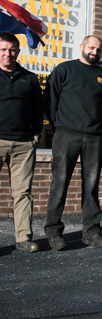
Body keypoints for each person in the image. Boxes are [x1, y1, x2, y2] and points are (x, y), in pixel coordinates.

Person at [44, 35, 102, 250]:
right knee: (60, 183)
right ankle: (54, 232)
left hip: (95, 137)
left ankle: (91, 232)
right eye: (91, 48)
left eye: (99, 50)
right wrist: (59, 126)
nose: (95, 52)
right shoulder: (65, 70)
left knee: (91, 186)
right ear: (82, 47)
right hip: (67, 135)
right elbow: (50, 99)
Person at [0, 32, 44, 252]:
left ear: (18, 51)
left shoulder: (30, 78)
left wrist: (35, 135)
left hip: (23, 145)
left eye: (12, 50)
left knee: (23, 193)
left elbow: (38, 110)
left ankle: (24, 238)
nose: (8, 54)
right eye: (3, 50)